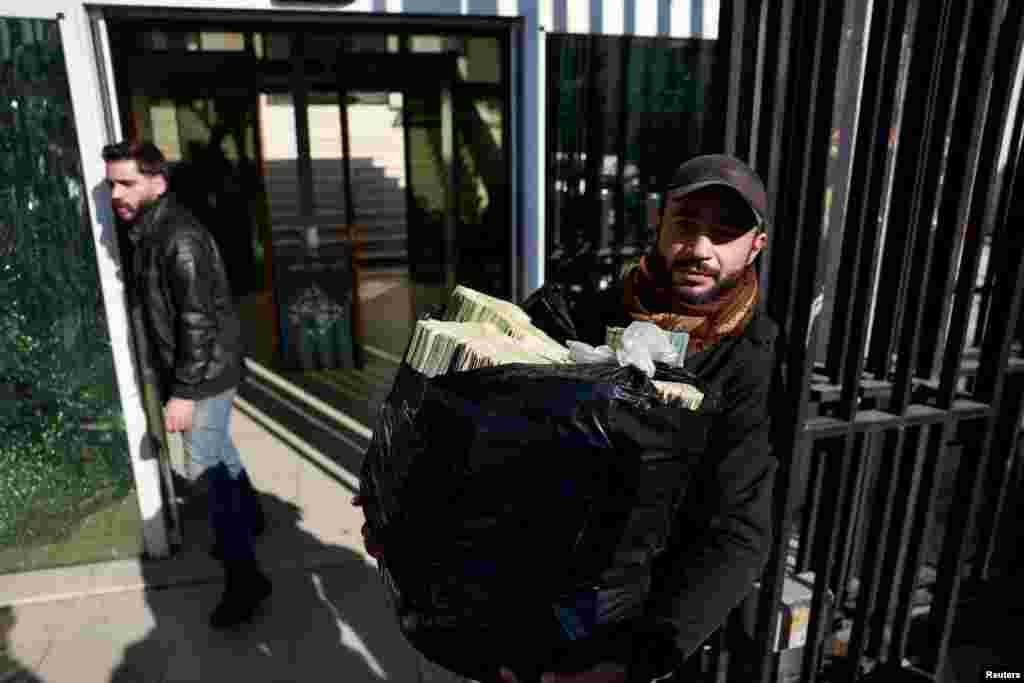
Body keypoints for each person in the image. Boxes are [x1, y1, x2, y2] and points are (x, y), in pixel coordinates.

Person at [362, 153, 780, 682]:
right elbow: (479, 418)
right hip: (510, 598)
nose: (700, 249)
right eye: (686, 225)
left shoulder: (750, 363)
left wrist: (639, 660)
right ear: (660, 222)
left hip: (617, 636)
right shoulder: (583, 311)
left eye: (723, 234)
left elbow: (737, 528)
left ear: (754, 246)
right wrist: (397, 493)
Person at [103, 140, 271, 630]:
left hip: (203, 373)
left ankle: (246, 579)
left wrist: (183, 394)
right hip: (206, 370)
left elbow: (197, 321)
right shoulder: (150, 230)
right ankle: (253, 515)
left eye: (126, 182)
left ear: (159, 181)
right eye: (112, 182)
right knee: (219, 452)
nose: (116, 193)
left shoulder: (178, 238)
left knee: (207, 476)